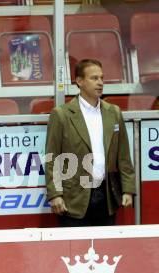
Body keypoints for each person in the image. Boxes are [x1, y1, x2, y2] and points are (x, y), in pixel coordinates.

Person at [45, 59, 135, 226]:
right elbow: (52, 157)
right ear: (79, 81)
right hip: (72, 199)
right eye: (94, 78)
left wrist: (128, 189)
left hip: (107, 196)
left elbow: (123, 156)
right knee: (75, 251)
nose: (100, 82)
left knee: (105, 250)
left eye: (102, 78)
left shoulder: (113, 112)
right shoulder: (62, 114)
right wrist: (55, 194)